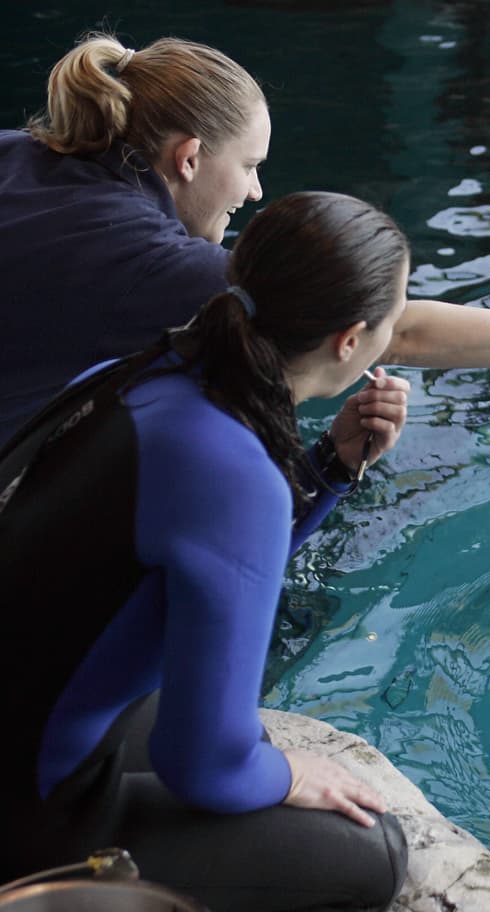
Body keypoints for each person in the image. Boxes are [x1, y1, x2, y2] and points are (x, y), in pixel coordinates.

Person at [0, 191, 417, 911]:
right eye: (396, 315)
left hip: (24, 728)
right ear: (351, 341)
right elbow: (204, 766)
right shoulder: (236, 473)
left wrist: (330, 465)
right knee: (374, 853)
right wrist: (290, 775)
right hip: (29, 815)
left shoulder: (140, 372)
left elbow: (201, 548)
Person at [0, 32, 490, 443]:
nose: (254, 191)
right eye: (249, 166)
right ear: (188, 158)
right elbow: (390, 327)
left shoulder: (17, 152)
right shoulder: (151, 262)